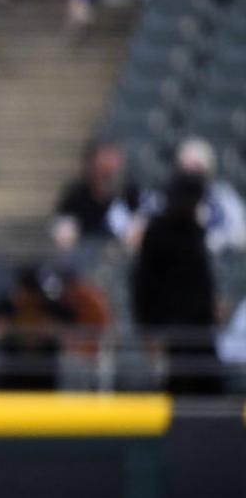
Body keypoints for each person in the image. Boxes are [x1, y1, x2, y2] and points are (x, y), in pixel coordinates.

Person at [131, 174, 221, 395]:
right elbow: (144, 283)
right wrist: (150, 328)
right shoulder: (158, 233)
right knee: (175, 391)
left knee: (210, 389)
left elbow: (201, 280)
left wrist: (211, 304)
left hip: (200, 328)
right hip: (170, 329)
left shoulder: (195, 231)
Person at [0, 264, 77, 389]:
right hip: (11, 371)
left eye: (34, 295)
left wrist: (56, 331)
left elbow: (73, 327)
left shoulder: (53, 308)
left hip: (44, 372)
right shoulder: (5, 306)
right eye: (27, 293)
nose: (30, 299)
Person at [51, 138, 134, 251]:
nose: (108, 171)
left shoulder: (129, 197)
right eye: (102, 166)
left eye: (112, 165)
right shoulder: (75, 199)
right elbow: (63, 237)